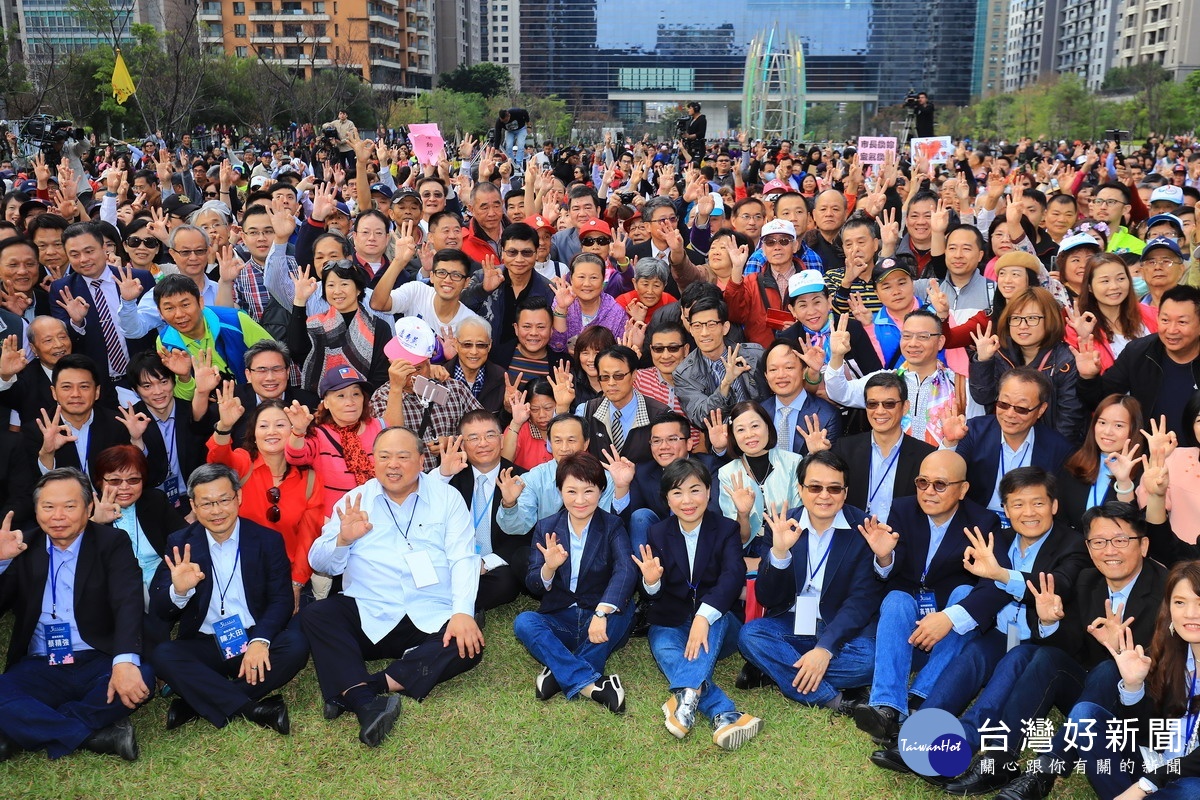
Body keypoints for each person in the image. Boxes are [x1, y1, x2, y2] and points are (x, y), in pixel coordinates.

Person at [940, 501, 1167, 799]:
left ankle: (1045, 769)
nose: (1109, 551)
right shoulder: (1088, 580)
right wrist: (1048, 623)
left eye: (1121, 540)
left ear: (1144, 545)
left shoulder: (1168, 590)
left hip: (1139, 705)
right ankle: (1000, 758)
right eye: (1098, 542)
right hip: (1090, 696)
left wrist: (1120, 652)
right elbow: (1068, 647)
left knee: (1109, 668)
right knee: (1041, 655)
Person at [303, 426, 484, 747]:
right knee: (317, 615)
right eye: (384, 457)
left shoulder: (446, 497)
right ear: (373, 461)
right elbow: (320, 562)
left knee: (469, 634)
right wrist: (343, 539)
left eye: (403, 456)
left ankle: (363, 689)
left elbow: (463, 557)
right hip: (370, 612)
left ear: (420, 459)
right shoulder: (355, 500)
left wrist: (461, 613)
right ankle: (366, 701)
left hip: (429, 612)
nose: (393, 465)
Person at [851, 449, 1005, 746]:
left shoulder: (983, 522)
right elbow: (890, 572)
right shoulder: (902, 509)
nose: (929, 492)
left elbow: (996, 584)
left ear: (963, 489)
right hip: (907, 613)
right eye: (923, 482)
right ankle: (887, 707)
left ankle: (920, 699)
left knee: (966, 594)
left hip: (950, 619)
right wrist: (884, 558)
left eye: (940, 485)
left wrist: (948, 617)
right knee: (896, 598)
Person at [0, 468, 154, 762]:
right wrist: (0, 562)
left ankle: (28, 728)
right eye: (48, 507)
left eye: (70, 506)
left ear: (88, 508)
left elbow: (128, 602)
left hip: (98, 657)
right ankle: (95, 736)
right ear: (36, 510)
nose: (58, 516)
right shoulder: (21, 547)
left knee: (141, 676)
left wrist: (124, 662)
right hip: (41, 663)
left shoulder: (112, 543)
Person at [147, 463, 309, 735]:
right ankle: (252, 709)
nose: (217, 510)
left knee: (295, 645)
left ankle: (196, 703)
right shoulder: (180, 543)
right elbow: (159, 609)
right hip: (205, 642)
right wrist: (180, 591)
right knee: (164, 655)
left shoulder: (266, 540)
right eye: (207, 503)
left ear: (239, 498)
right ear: (194, 507)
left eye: (224, 500)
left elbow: (281, 600)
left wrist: (260, 640)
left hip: (252, 638)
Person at [738, 449, 881, 710]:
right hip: (790, 623)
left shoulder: (863, 527)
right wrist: (779, 553)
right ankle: (835, 700)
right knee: (751, 636)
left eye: (834, 489)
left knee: (869, 660)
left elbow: (860, 601)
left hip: (839, 626)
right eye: (815, 487)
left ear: (845, 492)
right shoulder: (783, 524)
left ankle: (776, 669)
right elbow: (767, 597)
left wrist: (825, 649)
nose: (824, 496)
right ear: (801, 489)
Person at [636, 458, 761, 749]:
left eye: (695, 490)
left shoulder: (726, 529)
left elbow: (732, 577)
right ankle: (723, 712)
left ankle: (687, 691)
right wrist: (652, 581)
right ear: (667, 498)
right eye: (677, 493)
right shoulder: (657, 532)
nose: (687, 501)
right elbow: (654, 593)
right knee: (665, 647)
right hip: (673, 618)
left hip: (719, 623)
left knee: (713, 622)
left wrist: (703, 617)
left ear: (708, 492)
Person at [512, 452, 636, 714]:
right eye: (571, 491)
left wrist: (602, 611)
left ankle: (557, 673)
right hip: (561, 619)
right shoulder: (547, 527)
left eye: (588, 491)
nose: (580, 500)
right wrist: (549, 567)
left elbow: (625, 571)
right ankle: (594, 686)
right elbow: (533, 584)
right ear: (560, 491)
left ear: (601, 491)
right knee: (524, 622)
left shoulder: (612, 525)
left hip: (599, 619)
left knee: (625, 610)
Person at [206, 388, 325, 611]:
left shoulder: (309, 479)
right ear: (253, 432)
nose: (272, 432)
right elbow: (217, 460)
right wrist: (224, 426)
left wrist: (296, 584)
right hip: (237, 569)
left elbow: (309, 536)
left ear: (294, 430)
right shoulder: (242, 463)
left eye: (280, 425)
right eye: (263, 426)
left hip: (285, 574)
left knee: (293, 641)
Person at [945, 368, 1075, 523]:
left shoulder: (1058, 448)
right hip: (976, 523)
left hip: (1030, 526)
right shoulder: (974, 431)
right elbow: (945, 479)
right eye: (1003, 404)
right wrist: (950, 443)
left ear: (1041, 410)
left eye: (1021, 409)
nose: (1010, 414)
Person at [1075, 284, 1200, 440]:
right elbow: (1100, 401)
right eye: (1165, 320)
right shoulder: (1138, 352)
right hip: (1148, 456)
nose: (1171, 330)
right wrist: (1088, 378)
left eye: (1182, 322)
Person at [435, 410, 529, 613]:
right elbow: (420, 503)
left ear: (502, 440)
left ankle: (446, 602)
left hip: (492, 566)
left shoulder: (521, 479)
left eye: (490, 435)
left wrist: (486, 563)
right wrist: (443, 475)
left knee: (506, 583)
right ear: (462, 445)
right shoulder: (452, 475)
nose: (483, 443)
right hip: (452, 559)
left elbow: (527, 535)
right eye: (473, 438)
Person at [825, 310, 963, 447]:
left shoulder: (959, 385)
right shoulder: (883, 381)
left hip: (943, 466)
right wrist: (837, 356)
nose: (913, 343)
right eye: (907, 336)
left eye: (923, 336)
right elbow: (840, 393)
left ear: (940, 341)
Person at [24, 354, 168, 484]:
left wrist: (136, 440)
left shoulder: (117, 424)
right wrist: (47, 454)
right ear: (54, 392)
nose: (76, 394)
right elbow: (36, 489)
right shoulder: (37, 431)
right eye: (67, 387)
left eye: (84, 387)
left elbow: (141, 478)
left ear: (97, 392)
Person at [970, 286, 1083, 443]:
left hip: (1052, 447)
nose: (1023, 326)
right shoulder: (999, 353)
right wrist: (983, 361)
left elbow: (1070, 419)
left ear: (1050, 319)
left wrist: (1051, 453)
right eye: (1016, 318)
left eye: (1032, 318)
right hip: (1005, 443)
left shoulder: (1066, 360)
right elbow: (983, 397)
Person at [370, 317, 483, 472]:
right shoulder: (381, 396)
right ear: (391, 363)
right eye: (402, 367)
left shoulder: (454, 388)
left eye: (417, 368)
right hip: (410, 481)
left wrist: (453, 442)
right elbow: (392, 441)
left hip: (455, 480)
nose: (409, 374)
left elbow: (484, 430)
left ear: (429, 363)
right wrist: (396, 389)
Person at [53, 221, 156, 385]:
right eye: (74, 254)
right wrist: (76, 322)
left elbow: (156, 328)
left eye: (89, 251)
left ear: (104, 248)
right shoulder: (63, 289)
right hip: (96, 383)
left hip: (143, 378)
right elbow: (65, 343)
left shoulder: (138, 278)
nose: (83, 259)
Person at [830, 372, 936, 522]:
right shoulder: (845, 449)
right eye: (872, 404)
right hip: (856, 538)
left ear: (905, 407)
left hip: (902, 541)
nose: (880, 411)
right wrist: (816, 453)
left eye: (889, 404)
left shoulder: (926, 455)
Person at [88, 445, 185, 608]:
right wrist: (95, 523)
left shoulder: (155, 500)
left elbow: (183, 536)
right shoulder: (88, 508)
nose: (125, 487)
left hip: (159, 578)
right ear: (99, 481)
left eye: (133, 480)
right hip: (114, 585)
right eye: (115, 481)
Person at [285, 365, 384, 519]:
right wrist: (298, 431)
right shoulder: (318, 433)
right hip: (336, 522)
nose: (350, 402)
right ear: (326, 402)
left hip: (381, 516)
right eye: (341, 396)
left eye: (356, 394)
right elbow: (295, 456)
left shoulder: (378, 427)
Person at [288, 258, 392, 394]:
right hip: (320, 405)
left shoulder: (378, 327)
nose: (337, 291)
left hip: (364, 403)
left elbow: (381, 375)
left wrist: (358, 401)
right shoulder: (315, 325)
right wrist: (300, 300)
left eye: (344, 284)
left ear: (358, 289)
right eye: (330, 285)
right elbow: (297, 352)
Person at [717, 401, 805, 555]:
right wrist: (743, 515)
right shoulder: (727, 473)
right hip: (747, 549)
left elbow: (799, 519)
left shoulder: (793, 462)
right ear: (733, 436)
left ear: (768, 427)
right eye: (740, 429)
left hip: (790, 544)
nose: (749, 434)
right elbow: (739, 539)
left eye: (755, 426)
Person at [128, 351, 207, 510]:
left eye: (163, 381)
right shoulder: (130, 420)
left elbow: (206, 460)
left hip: (194, 500)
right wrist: (136, 440)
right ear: (135, 390)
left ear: (173, 381)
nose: (158, 391)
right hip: (151, 505)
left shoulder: (191, 412)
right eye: (147, 386)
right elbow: (130, 476)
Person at [674, 296, 766, 429]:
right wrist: (726, 384)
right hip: (723, 442)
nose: (704, 333)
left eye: (711, 325)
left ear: (725, 327)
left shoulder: (754, 355)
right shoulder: (684, 373)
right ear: (691, 330)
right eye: (697, 326)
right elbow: (701, 417)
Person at [1057, 394, 1143, 531]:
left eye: (1118, 425)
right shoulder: (1074, 465)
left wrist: (1124, 482)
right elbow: (1060, 521)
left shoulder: (1142, 471)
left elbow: (1136, 525)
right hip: (1075, 549)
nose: (1108, 432)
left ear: (1133, 430)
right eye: (1102, 422)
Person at [1064, 251, 1157, 371]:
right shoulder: (1077, 328)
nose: (1114, 286)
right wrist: (1086, 340)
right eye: (1105, 281)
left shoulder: (1153, 315)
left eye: (1121, 278)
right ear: (1089, 287)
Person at [576, 345, 668, 464]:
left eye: (618, 376)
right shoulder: (586, 410)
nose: (611, 383)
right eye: (604, 377)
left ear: (634, 375)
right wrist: (562, 407)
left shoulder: (660, 414)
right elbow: (562, 449)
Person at [760, 338, 841, 456]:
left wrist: (815, 455)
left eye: (789, 368)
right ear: (766, 376)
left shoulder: (827, 415)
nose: (781, 375)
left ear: (804, 371)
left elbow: (831, 467)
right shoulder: (759, 412)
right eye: (773, 369)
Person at [444, 316, 506, 414]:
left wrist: (508, 410)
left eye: (481, 345)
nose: (474, 352)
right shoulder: (439, 376)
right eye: (467, 344)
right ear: (455, 344)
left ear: (489, 345)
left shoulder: (503, 380)